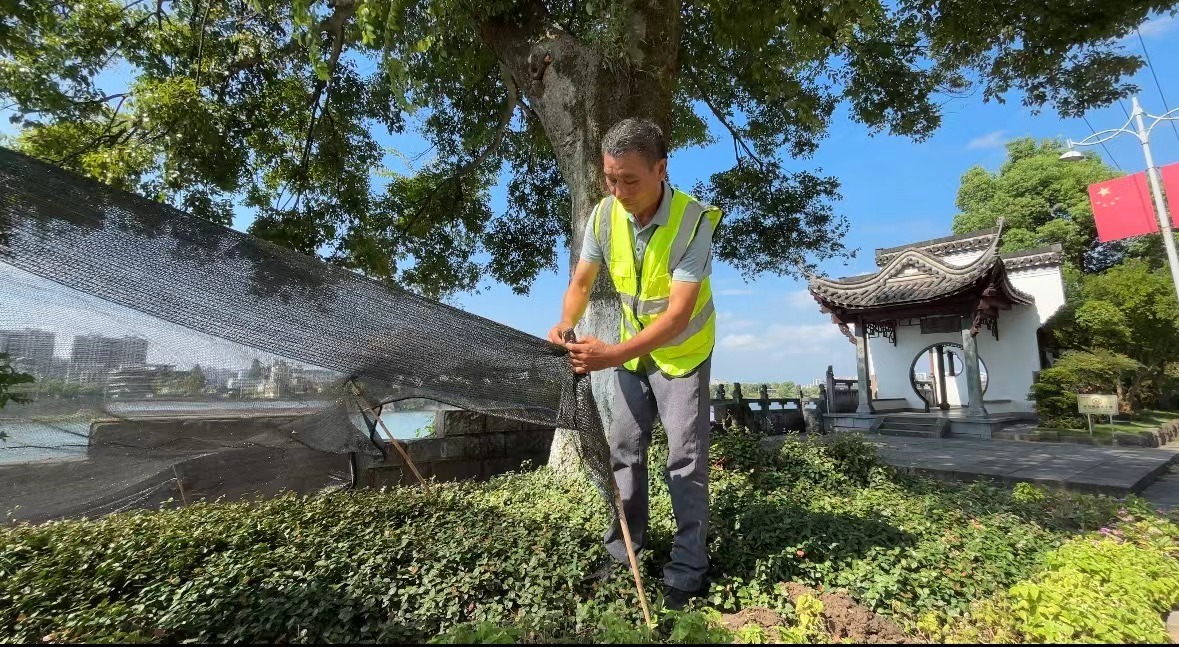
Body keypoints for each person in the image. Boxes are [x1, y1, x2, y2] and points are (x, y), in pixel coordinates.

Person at [547, 117, 720, 610]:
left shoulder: (694, 222)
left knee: (684, 459)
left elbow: (679, 313)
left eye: (630, 179)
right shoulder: (602, 218)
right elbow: (581, 285)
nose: (618, 190)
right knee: (623, 447)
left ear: (661, 170)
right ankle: (624, 550)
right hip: (629, 350)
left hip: (681, 354)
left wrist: (610, 356)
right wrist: (565, 324)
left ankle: (688, 569)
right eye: (610, 177)